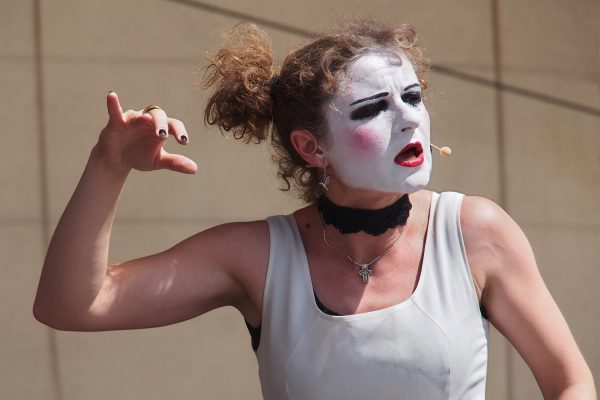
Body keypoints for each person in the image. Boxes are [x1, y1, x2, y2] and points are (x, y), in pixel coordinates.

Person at [34, 19, 595, 399]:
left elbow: (573, 383)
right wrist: (109, 165)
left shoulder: (476, 231)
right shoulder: (255, 255)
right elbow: (72, 306)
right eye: (373, 108)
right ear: (311, 148)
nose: (408, 119)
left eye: (414, 97)